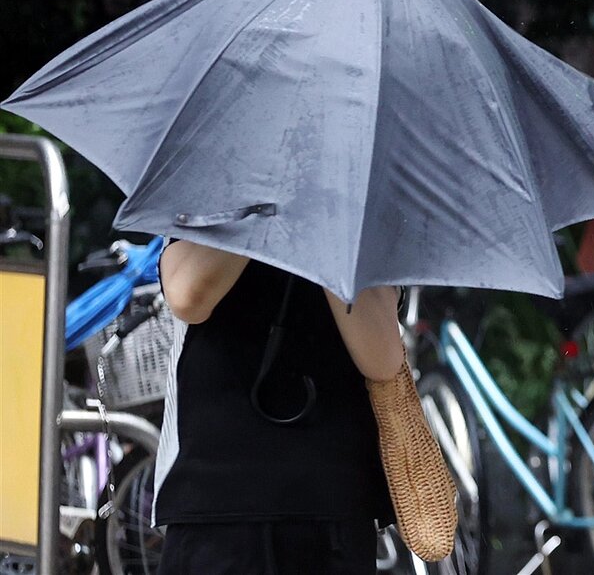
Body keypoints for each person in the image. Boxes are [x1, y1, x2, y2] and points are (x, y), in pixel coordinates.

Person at [152, 240, 435, 574]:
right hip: (217, 496)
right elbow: (187, 297)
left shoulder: (356, 212)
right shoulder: (212, 195)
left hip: (332, 502)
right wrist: (274, 202)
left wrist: (324, 225)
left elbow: (383, 360)